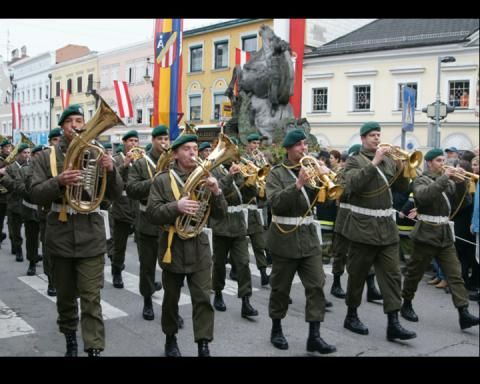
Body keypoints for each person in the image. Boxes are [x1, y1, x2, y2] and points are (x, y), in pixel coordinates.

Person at [30, 104, 123, 357]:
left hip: (90, 234)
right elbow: (35, 193)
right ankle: (70, 337)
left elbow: (115, 195)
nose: (75, 125)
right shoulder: (44, 157)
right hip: (60, 234)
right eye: (69, 121)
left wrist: (111, 170)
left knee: (92, 297)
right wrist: (58, 182)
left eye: (79, 120)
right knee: (66, 295)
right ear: (62, 127)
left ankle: (94, 347)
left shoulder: (96, 153)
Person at [146, 133, 227, 357]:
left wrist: (217, 192)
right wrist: (176, 206)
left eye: (194, 148)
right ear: (175, 154)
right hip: (173, 246)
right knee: (171, 299)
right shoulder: (163, 179)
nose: (193, 152)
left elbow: (221, 214)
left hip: (199, 245)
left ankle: (203, 343)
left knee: (202, 298)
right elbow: (152, 213)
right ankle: (170, 338)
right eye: (186, 149)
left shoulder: (206, 177)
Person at [342, 121, 416, 342]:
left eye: (379, 135)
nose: (377, 138)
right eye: (373, 135)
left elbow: (402, 190)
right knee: (357, 274)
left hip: (386, 228)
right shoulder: (355, 160)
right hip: (363, 228)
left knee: (393, 276)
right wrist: (374, 162)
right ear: (363, 138)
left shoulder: (387, 161)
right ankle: (351, 315)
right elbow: (352, 185)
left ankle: (393, 322)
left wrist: (403, 170)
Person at [266, 129, 336, 354]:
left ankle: (314, 336)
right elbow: (275, 204)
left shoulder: (312, 169)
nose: (304, 148)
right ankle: (276, 329)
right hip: (284, 239)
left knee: (316, 286)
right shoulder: (276, 173)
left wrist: (327, 175)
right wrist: (297, 185)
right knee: (280, 289)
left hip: (308, 240)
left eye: (305, 144)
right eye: (299, 145)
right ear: (288, 148)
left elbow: (324, 203)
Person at [400, 148, 479, 330]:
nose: (443, 163)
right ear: (429, 163)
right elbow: (424, 196)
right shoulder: (421, 179)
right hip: (426, 233)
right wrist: (446, 178)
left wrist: (460, 183)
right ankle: (406, 303)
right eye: (438, 160)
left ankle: (463, 312)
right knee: (414, 273)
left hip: (444, 234)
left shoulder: (448, 181)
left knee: (455, 274)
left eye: (444, 160)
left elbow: (463, 202)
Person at [126, 125, 183, 325]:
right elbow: (131, 189)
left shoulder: (175, 163)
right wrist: (156, 181)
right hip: (147, 222)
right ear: (153, 140)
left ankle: (172, 308)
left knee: (172, 268)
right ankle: (148, 300)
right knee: (147, 265)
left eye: (166, 139)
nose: (164, 143)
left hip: (169, 221)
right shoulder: (141, 163)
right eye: (160, 139)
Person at [210, 148, 259, 319]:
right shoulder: (213, 170)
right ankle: (217, 292)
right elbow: (217, 191)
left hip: (238, 225)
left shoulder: (239, 168)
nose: (235, 159)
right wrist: (230, 175)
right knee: (219, 264)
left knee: (244, 263)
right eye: (231, 155)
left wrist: (251, 181)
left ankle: (246, 301)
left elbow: (248, 196)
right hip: (221, 223)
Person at [110, 130, 140, 288]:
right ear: (124, 143)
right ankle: (117, 272)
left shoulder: (141, 161)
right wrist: (124, 165)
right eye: (131, 141)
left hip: (137, 208)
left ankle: (146, 280)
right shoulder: (116, 160)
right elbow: (113, 181)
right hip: (121, 206)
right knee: (119, 245)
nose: (134, 144)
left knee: (144, 246)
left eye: (136, 141)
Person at [242, 132, 270, 286]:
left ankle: (263, 272)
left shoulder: (262, 159)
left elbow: (266, 176)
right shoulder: (243, 160)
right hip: (243, 206)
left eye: (258, 144)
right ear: (248, 144)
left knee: (259, 242)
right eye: (253, 143)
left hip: (257, 205)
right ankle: (235, 268)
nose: (255, 146)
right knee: (239, 243)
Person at [3, 143, 31, 262]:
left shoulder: (31, 166)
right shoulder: (10, 168)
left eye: (29, 153)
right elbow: (6, 182)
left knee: (31, 230)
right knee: (15, 230)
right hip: (13, 202)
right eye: (24, 153)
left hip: (27, 203)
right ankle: (18, 249)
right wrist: (19, 186)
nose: (27, 155)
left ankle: (32, 254)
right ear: (19, 154)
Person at [0, 139, 13, 247]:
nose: (9, 149)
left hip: (9, 192)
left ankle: (15, 243)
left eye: (10, 147)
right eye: (6, 147)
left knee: (12, 220)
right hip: (1, 194)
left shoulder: (12, 160)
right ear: (2, 148)